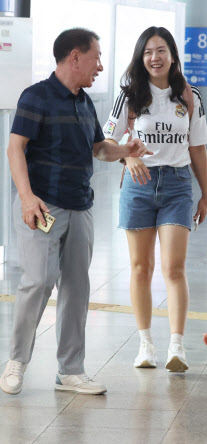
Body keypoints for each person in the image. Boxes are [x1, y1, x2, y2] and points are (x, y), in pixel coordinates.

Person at [0, 28, 151, 395]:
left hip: (80, 206)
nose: (100, 66)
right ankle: (16, 361)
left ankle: (70, 371)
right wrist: (27, 197)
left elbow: (99, 149)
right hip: (42, 205)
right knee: (38, 280)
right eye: (96, 57)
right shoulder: (36, 96)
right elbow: (15, 148)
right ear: (75, 57)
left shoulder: (84, 103)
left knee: (77, 287)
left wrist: (126, 150)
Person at [102, 27, 207, 372]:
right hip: (139, 184)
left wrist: (206, 192)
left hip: (178, 184)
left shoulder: (190, 96)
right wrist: (127, 157)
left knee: (174, 268)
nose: (155, 57)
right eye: (148, 52)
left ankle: (176, 345)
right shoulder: (130, 95)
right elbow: (107, 141)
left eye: (161, 50)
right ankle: (145, 344)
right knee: (140, 267)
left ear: (173, 56)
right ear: (141, 57)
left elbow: (197, 147)